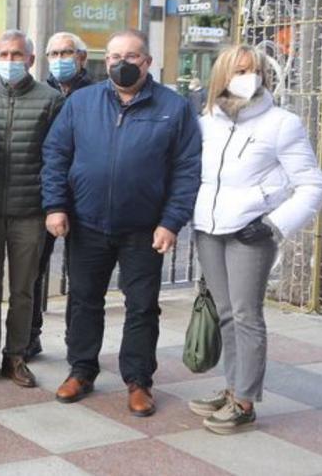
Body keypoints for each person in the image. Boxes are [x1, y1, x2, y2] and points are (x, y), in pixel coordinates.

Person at [42, 29, 201, 417]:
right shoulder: (81, 103)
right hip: (87, 223)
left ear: (147, 62)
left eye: (130, 56)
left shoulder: (173, 107)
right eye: (114, 57)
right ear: (104, 61)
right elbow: (56, 155)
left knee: (142, 307)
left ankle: (138, 380)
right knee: (82, 301)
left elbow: (186, 170)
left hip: (144, 230)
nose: (121, 63)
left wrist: (171, 222)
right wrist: (55, 206)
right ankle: (81, 369)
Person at [188, 45, 322, 434]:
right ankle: (233, 387)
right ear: (221, 76)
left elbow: (313, 184)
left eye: (254, 70)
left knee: (247, 315)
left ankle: (245, 402)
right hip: (209, 229)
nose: (247, 77)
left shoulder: (282, 123)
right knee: (226, 312)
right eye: (238, 70)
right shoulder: (207, 121)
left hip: (251, 233)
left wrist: (273, 223)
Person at [0, 31, 63, 388]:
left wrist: (53, 206)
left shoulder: (51, 100)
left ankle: (16, 355)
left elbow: (57, 157)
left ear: (30, 59)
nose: (9, 61)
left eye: (16, 55)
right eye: (3, 54)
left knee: (24, 289)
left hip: (30, 211)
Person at [28, 31, 97, 359]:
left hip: (85, 198)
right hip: (47, 196)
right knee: (33, 272)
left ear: (82, 57)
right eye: (53, 53)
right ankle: (30, 335)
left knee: (81, 280)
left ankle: (78, 346)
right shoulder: (40, 93)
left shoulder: (100, 94)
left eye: (66, 52)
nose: (59, 60)